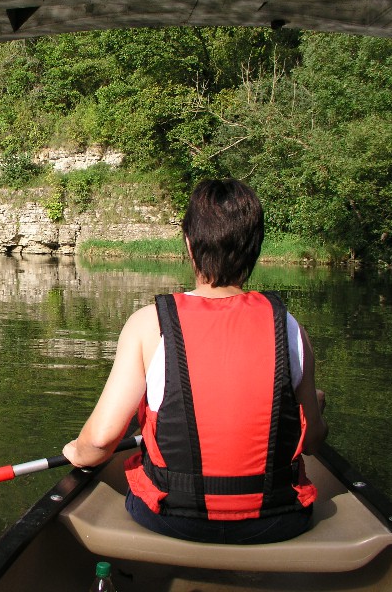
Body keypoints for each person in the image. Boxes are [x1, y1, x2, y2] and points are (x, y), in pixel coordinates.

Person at [63, 178, 327, 544]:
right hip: (276, 520)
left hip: (173, 518)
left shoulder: (148, 324)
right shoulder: (290, 327)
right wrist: (313, 409)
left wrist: (75, 450)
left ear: (188, 243)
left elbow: (100, 442)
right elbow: (313, 442)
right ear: (257, 246)